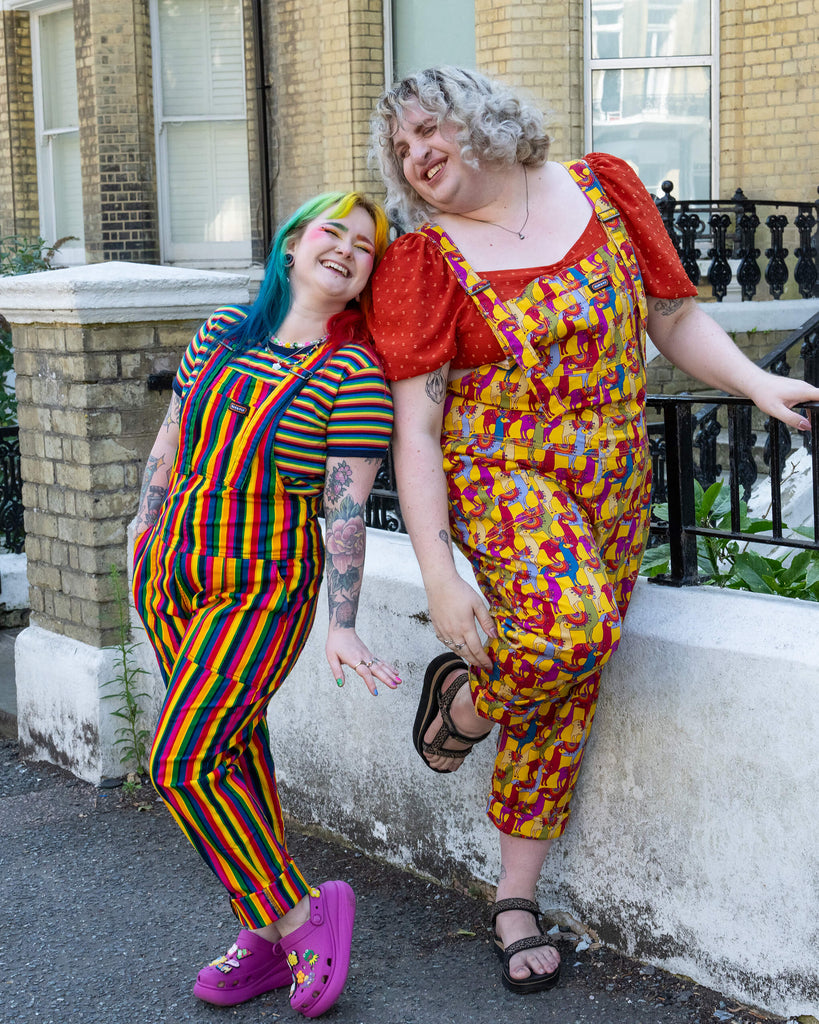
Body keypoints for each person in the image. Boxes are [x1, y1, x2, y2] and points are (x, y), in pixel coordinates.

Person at [367, 66, 819, 996]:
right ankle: (462, 707)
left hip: (613, 474)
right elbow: (415, 429)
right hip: (501, 471)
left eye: (426, 131)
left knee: (571, 681)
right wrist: (440, 574)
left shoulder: (603, 189)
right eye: (400, 148)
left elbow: (672, 320)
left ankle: (514, 897)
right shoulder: (424, 261)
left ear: (481, 119)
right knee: (569, 631)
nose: (415, 156)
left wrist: (755, 383)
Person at [132, 191, 401, 1018]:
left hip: (261, 585)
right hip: (170, 571)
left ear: (368, 276)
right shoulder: (221, 333)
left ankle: (297, 916)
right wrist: (141, 529)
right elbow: (172, 437)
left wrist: (342, 624)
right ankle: (262, 936)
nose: (346, 249)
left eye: (364, 246)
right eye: (333, 231)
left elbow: (344, 508)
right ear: (292, 244)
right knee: (234, 753)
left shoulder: (355, 374)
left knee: (181, 759)